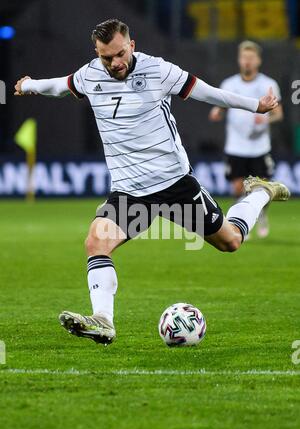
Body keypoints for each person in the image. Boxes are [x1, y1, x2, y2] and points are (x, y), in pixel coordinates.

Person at [14, 19, 289, 345]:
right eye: (106, 58)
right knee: (96, 243)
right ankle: (103, 321)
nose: (114, 63)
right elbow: (59, 86)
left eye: (119, 54)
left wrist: (254, 105)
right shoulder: (90, 75)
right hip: (129, 192)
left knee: (230, 242)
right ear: (97, 53)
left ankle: (259, 193)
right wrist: (29, 85)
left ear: (131, 45)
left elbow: (208, 93)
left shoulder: (159, 71)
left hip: (175, 186)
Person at [209, 41, 283, 238]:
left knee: (261, 189)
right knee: (238, 188)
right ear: (239, 60)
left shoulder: (268, 84)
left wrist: (266, 117)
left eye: (251, 58)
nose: (247, 62)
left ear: (258, 61)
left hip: (259, 146)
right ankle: (242, 223)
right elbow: (222, 106)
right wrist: (217, 112)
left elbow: (278, 114)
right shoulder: (229, 84)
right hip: (236, 145)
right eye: (244, 58)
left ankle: (262, 215)